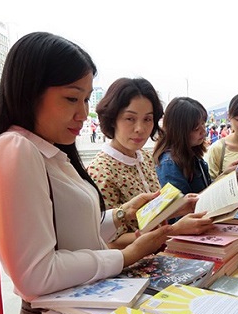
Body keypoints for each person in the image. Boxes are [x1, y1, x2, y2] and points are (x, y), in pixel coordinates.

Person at [0, 32, 172, 314]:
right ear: (29, 91)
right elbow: (36, 274)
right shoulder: (16, 148)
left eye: (86, 99)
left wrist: (124, 212)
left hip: (86, 304)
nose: (82, 113)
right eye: (72, 98)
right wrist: (126, 255)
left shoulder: (49, 152)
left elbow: (73, 231)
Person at [87, 78, 213, 249]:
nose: (140, 128)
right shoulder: (100, 171)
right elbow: (109, 241)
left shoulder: (144, 158)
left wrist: (179, 208)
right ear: (112, 119)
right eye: (130, 119)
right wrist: (174, 230)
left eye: (147, 119)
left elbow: (147, 215)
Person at [153, 97, 212, 197]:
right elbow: (182, 206)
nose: (204, 132)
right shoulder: (169, 164)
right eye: (196, 128)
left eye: (203, 124)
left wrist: (224, 177)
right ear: (180, 131)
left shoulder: (193, 154)